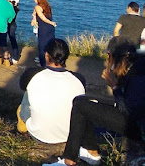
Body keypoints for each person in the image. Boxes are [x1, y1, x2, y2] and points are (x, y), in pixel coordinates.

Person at [43, 37, 145, 166]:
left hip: (137, 128)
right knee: (83, 103)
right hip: (136, 122)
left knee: (80, 105)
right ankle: (91, 152)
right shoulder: (135, 67)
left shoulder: (136, 75)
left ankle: (69, 160)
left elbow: (129, 111)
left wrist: (114, 87)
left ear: (111, 56)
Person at [17, 38, 86, 144]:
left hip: (38, 135)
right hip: (68, 135)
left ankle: (22, 126)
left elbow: (22, 85)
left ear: (46, 55)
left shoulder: (32, 74)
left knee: (28, 91)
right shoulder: (79, 78)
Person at [32, 0, 57, 68]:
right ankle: (51, 61)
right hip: (50, 28)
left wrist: (51, 23)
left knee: (42, 46)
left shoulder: (37, 7)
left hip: (43, 28)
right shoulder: (47, 6)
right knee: (50, 44)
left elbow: (42, 18)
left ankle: (43, 64)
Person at [7, 0, 21, 64]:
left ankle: (14, 57)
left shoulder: (11, 9)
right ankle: (15, 56)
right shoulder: (16, 8)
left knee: (11, 40)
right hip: (13, 25)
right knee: (13, 40)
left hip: (10, 25)